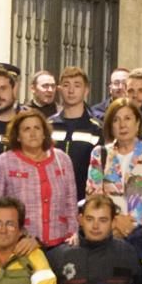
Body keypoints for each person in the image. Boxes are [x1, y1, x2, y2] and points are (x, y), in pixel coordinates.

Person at [0, 110, 79, 249]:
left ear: (44, 133)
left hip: (62, 244)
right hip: (21, 246)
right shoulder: (2, 163)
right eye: (26, 129)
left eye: (37, 128)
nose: (33, 133)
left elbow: (71, 203)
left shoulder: (63, 159)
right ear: (18, 136)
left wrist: (73, 233)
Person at [87, 98, 142, 237]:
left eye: (127, 118)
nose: (122, 125)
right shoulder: (100, 154)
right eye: (116, 120)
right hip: (109, 232)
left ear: (137, 123)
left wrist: (130, 225)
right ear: (111, 126)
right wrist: (116, 222)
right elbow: (94, 196)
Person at [51, 66, 103, 197]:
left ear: (86, 90)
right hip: (51, 198)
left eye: (77, 85)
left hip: (84, 200)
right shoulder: (48, 126)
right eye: (66, 85)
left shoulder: (96, 129)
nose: (71, 90)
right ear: (59, 89)